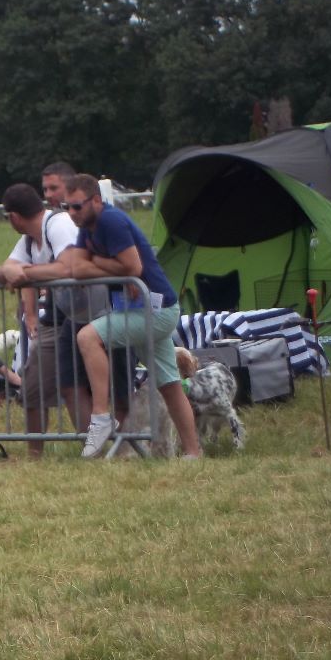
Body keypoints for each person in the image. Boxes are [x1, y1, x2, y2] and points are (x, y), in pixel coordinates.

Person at [64, 173, 201, 458]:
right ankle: (193, 452)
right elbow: (78, 267)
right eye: (68, 207)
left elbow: (133, 266)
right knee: (169, 384)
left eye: (77, 206)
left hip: (157, 310)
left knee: (87, 337)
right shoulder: (86, 227)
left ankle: (101, 416)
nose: (72, 213)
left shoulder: (111, 221)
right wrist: (113, 267)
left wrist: (99, 261)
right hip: (140, 309)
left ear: (97, 201)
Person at [0, 183, 90, 458]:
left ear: (13, 217)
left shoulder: (58, 225)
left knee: (77, 386)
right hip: (58, 319)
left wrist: (25, 273)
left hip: (88, 315)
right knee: (33, 387)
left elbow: (69, 266)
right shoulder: (29, 238)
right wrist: (14, 270)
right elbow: (0, 273)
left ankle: (96, 451)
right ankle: (34, 456)